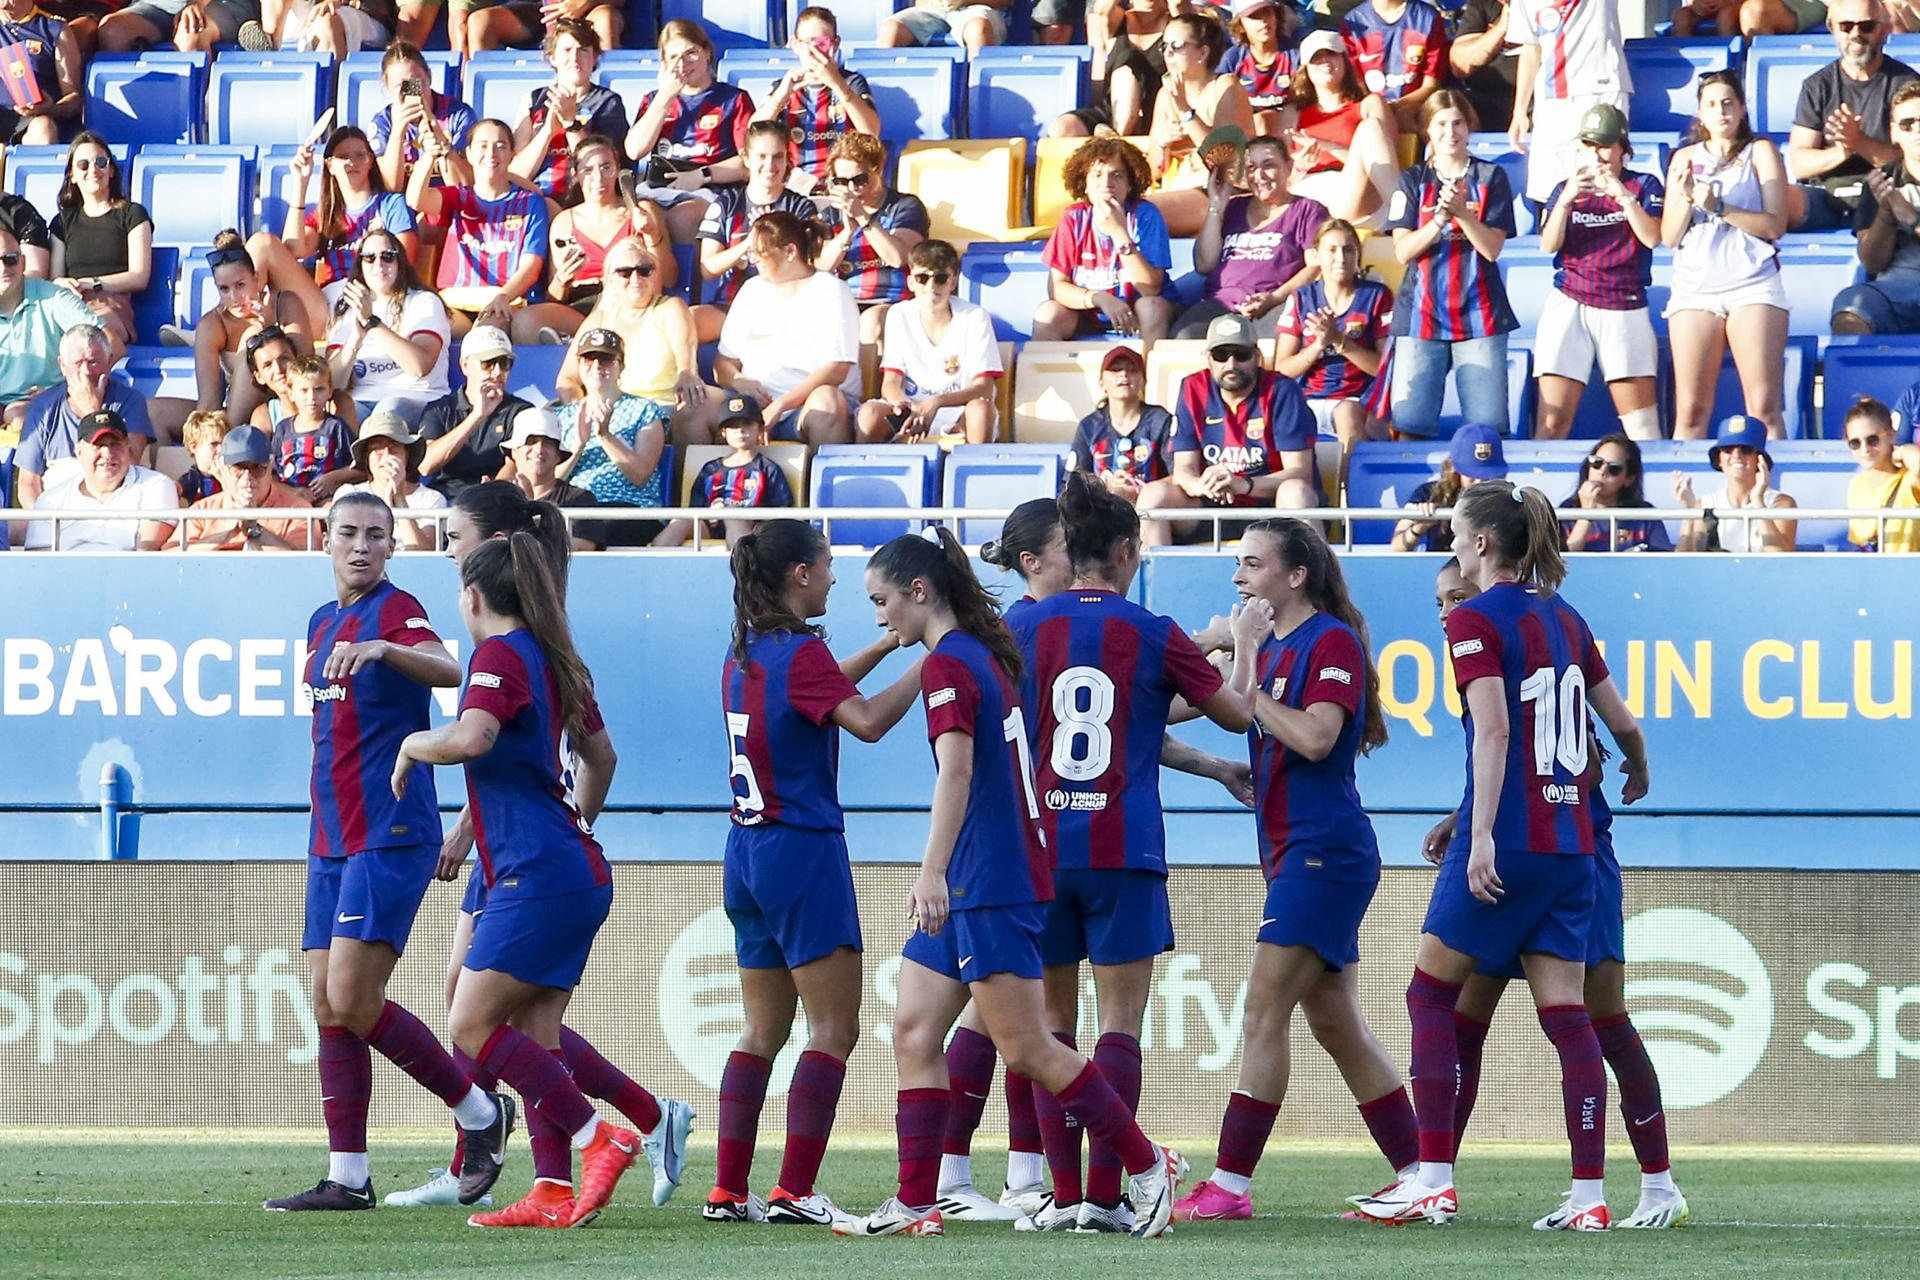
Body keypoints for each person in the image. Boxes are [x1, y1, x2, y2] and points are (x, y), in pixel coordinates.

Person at [834, 525, 1186, 1240]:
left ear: (919, 592)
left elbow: (957, 772)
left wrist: (931, 870)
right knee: (913, 1029)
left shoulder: (954, 664)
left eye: (881, 600)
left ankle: (1148, 1169)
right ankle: (915, 1201)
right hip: (981, 873)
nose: (878, 614)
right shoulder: (974, 653)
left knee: (1027, 1049)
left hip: (986, 877)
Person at [383, 481, 692, 1211]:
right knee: (536, 1033)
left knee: (468, 1018)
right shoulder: (550, 654)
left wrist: (411, 744)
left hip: (538, 872)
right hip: (565, 864)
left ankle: (598, 1137)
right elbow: (590, 758)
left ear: (473, 593)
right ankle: (552, 1188)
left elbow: (472, 738)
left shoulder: (496, 656)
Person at [1349, 482, 1649, 1230]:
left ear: (1483, 544)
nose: (1451, 544)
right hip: (1573, 844)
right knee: (1568, 1016)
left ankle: (1433, 1179)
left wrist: (1478, 834)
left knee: (1428, 998)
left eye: (1456, 533)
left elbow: (1494, 733)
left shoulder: (1475, 618)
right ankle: (1588, 1196)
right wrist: (1638, 765)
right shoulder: (1565, 616)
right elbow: (1623, 722)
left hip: (1511, 838)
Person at [999, 474, 1257, 1233]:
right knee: (1119, 1027)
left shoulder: (1022, 629)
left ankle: (1065, 1196)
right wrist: (1241, 645)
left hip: (1041, 851)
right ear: (1120, 551)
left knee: (1050, 1031)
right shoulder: (1153, 629)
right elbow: (1237, 714)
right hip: (1123, 850)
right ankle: (1110, 1198)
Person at [1421, 556, 1692, 1232]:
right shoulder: (1538, 638)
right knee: (1467, 1013)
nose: (1450, 611)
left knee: (1600, 1017)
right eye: (1440, 601)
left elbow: (1571, 760)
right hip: (1541, 850)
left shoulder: (1513, 641)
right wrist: (1464, 818)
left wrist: (1628, 762)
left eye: (1458, 594)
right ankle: (1437, 1176)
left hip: (1571, 855)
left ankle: (1656, 1183)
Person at [261, 489, 510, 1215]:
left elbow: (445, 668)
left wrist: (383, 649)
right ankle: (348, 1175)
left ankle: (479, 1113)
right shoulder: (320, 621)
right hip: (330, 838)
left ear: (392, 546)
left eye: (376, 534)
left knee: (353, 997)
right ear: (327, 540)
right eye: (349, 533)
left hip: (390, 830)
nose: (362, 545)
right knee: (327, 1004)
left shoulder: (394, 610)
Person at [1172, 518, 1418, 1222]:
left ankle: (1230, 1185)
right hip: (1294, 854)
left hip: (1325, 852)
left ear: (1296, 574)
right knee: (1338, 1026)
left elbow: (1315, 737)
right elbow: (1154, 697)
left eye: (1252, 564)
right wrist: (1218, 644)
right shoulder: (1264, 648)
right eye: (1237, 564)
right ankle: (1420, 1172)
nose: (1238, 576)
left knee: (1261, 1011)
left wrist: (1244, 671)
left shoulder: (1328, 641)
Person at [705, 519, 927, 1226]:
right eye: (827, 566)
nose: (835, 577)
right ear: (800, 573)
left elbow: (816, 691)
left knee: (760, 1032)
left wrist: (890, 643)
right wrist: (930, 660)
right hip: (802, 851)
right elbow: (861, 721)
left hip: (745, 853)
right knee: (834, 1029)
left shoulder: (747, 650)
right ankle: (794, 1189)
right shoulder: (801, 652)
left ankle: (726, 1190)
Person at [1663, 72, 1790, 442]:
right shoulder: (1684, 158)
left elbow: (1774, 224)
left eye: (1728, 102)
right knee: (1690, 410)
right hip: (1695, 287)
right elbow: (1670, 235)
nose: (1721, 111)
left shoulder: (1760, 152)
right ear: (1700, 113)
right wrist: (1686, 197)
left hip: (1752, 283)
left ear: (1742, 108)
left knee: (1763, 407)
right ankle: (1681, 496)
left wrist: (1718, 206)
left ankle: (1771, 488)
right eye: (1712, 104)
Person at [1387, 91, 1518, 440]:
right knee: (1409, 422)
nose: (1451, 132)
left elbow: (1492, 249)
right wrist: (1438, 222)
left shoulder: (1492, 177)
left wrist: (1463, 215)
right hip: (1421, 312)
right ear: (1427, 129)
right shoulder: (1412, 180)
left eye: (1457, 122)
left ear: (1469, 125)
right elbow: (1402, 251)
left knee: (1486, 429)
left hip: (1480, 312)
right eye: (1441, 123)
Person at [1533, 104, 1664, 443]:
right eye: (1590, 145)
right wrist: (1566, 200)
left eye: (1606, 144)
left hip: (1624, 303)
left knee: (1642, 429)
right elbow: (1548, 245)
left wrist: (1622, 197)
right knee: (1551, 425)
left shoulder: (1644, 185)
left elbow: (1653, 237)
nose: (1599, 154)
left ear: (1623, 147)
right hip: (1570, 300)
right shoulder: (1565, 188)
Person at [1138, 311, 1317, 544]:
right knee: (1153, 496)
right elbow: (1184, 469)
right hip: (1214, 503)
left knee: (1296, 493)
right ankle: (1155, 580)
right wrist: (1201, 485)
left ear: (1257, 356)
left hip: (1270, 505)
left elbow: (1300, 472)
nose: (1231, 364)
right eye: (1221, 355)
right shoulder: (1193, 388)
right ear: (1209, 358)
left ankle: (1317, 578)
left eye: (1241, 355)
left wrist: (1243, 484)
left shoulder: (1282, 390)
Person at [158, 228, 330, 444]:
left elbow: (305, 367)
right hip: (235, 409)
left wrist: (268, 326)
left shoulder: (285, 302)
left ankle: (228, 443)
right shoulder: (212, 324)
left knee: (254, 337)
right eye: (224, 289)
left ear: (256, 279)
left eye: (240, 285)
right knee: (154, 412)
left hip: (286, 400)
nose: (234, 297)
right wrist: (203, 435)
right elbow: (209, 399)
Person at [415, 118, 578, 344]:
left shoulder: (530, 204)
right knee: (424, 325)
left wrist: (503, 296)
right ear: (469, 153)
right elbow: (416, 199)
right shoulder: (458, 197)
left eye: (501, 145)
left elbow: (531, 267)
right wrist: (429, 155)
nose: (491, 153)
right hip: (456, 302)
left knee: (487, 335)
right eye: (483, 145)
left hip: (506, 301)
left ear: (512, 154)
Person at [715, 211, 861, 450]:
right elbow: (723, 363)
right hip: (750, 406)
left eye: (760, 254)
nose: (753, 261)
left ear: (790, 252)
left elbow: (837, 370)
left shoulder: (831, 290)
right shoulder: (751, 289)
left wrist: (781, 405)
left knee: (827, 402)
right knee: (696, 406)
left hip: (807, 406)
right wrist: (739, 380)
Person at [557, 238, 709, 441]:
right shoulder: (600, 319)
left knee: (699, 405)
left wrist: (688, 372)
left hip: (663, 407)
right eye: (625, 273)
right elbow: (567, 379)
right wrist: (584, 408)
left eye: (644, 270)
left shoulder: (670, 307)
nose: (636, 278)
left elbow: (686, 361)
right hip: (613, 411)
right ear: (609, 279)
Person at [1176, 135, 1325, 340]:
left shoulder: (1308, 210)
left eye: (1269, 165)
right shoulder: (1232, 208)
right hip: (1221, 305)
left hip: (1276, 306)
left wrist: (1274, 298)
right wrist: (1216, 207)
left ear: (1288, 167)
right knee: (1182, 337)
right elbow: (1204, 265)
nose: (1260, 175)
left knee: (1270, 346)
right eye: (1251, 167)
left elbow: (1316, 267)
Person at [1786, 0, 1915, 232]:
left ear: (1884, 30)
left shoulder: (1907, 86)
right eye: (1846, 26)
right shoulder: (1817, 86)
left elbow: (1911, 159)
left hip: (1888, 191)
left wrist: (1859, 142)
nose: (1856, 34)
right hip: (1828, 195)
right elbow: (1799, 164)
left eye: (1866, 26)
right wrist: (1844, 150)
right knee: (1780, 200)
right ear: (1832, 29)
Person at [858, 240, 1001, 446]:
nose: (931, 287)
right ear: (911, 282)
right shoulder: (899, 314)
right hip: (911, 408)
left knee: (981, 410)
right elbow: (890, 383)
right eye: (922, 278)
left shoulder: (975, 316)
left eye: (941, 278)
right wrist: (904, 405)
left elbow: (984, 389)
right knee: (869, 414)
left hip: (958, 409)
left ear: (953, 282)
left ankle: (974, 471)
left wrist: (936, 403)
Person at [624, 20, 756, 244]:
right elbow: (634, 151)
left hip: (710, 185)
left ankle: (688, 280)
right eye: (673, 57)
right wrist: (665, 98)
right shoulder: (655, 101)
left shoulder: (733, 99)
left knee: (682, 217)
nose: (683, 63)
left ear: (707, 53)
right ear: (664, 64)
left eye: (691, 53)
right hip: (660, 185)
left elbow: (748, 163)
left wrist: (701, 175)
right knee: (642, 216)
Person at [1034, 137, 1175, 344]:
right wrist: (1098, 298)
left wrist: (1119, 232)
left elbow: (1150, 288)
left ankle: (1149, 374)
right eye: (1097, 175)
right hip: (1088, 311)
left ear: (1129, 184)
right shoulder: (1073, 218)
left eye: (1116, 175)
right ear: (1085, 185)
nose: (1106, 184)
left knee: (1151, 307)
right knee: (1048, 314)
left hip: (1139, 312)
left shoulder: (1146, 215)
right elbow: (1056, 288)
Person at [1272, 217, 1391, 451]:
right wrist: (1318, 345)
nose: (1341, 258)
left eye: (1348, 250)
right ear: (1316, 255)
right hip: (1309, 399)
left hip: (1358, 400)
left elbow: (1384, 368)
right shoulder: (1301, 298)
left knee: (1347, 413)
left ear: (1358, 254)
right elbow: (1282, 369)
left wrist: (1340, 341)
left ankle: (1350, 486)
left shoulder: (1377, 297)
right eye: (1332, 250)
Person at [816, 132, 930, 377]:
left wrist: (864, 219)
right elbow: (821, 267)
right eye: (840, 181)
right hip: (845, 301)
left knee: (872, 322)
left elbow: (898, 258)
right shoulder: (831, 214)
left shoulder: (905, 206)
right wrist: (847, 233)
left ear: (878, 170)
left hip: (894, 301)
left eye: (859, 180)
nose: (850, 189)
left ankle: (866, 398)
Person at [1506, 0, 1630, 213]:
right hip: (1553, 99)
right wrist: (1519, 110)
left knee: (1604, 188)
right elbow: (1531, 49)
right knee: (1554, 194)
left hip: (1602, 90)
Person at [11, 324, 153, 509]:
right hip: (55, 513)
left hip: (114, 506)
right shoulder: (42, 407)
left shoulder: (131, 401)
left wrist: (91, 410)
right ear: (62, 365)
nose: (86, 371)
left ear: (109, 361)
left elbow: (128, 464)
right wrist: (44, 524)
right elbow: (28, 484)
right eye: (78, 363)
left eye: (93, 362)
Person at [694, 121, 822, 320]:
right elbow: (708, 269)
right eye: (761, 156)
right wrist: (749, 243)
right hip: (730, 307)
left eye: (778, 156)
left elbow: (813, 267)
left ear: (788, 159)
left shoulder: (801, 208)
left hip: (785, 307)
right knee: (689, 321)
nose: (770, 165)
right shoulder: (726, 203)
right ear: (746, 158)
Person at [1274, 29, 1401, 226]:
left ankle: (1402, 213)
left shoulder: (1369, 104)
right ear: (1306, 68)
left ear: (1344, 60)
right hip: (1308, 193)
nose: (1325, 62)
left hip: (1356, 193)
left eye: (1331, 54)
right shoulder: (1293, 113)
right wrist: (1300, 165)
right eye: (1317, 58)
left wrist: (1327, 146)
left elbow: (1385, 160)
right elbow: (1280, 179)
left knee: (1370, 128)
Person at [323, 227, 451, 423]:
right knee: (338, 415)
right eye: (369, 257)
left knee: (387, 411)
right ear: (360, 264)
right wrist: (355, 339)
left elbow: (419, 366)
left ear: (400, 262)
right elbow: (335, 383)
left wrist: (372, 323)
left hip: (416, 398)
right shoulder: (348, 307)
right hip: (362, 399)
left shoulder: (424, 301)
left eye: (388, 256)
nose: (379, 264)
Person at [552, 332, 668, 547]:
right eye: (589, 358)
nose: (596, 366)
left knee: (585, 532)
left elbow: (640, 474)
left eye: (605, 359)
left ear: (620, 366)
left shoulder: (644, 410)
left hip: (629, 508)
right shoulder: (561, 415)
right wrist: (577, 449)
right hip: (574, 507)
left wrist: (605, 435)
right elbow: (549, 479)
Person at [1146, 10, 1256, 237]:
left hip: (1222, 192)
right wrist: (1161, 144)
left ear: (1203, 52)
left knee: (1141, 214)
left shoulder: (1226, 87)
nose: (1168, 53)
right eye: (1163, 46)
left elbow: (1223, 160)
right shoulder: (1166, 95)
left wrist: (1186, 113)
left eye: (1176, 46)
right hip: (1179, 189)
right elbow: (1153, 169)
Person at [752, 6, 880, 194]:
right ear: (794, 45)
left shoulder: (851, 83)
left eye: (822, 43)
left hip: (843, 182)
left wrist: (837, 84)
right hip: (795, 184)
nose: (813, 51)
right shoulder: (783, 86)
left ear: (835, 44)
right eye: (806, 43)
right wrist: (780, 97)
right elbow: (753, 135)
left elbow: (872, 132)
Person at [547, 133, 677, 316]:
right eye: (588, 170)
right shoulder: (564, 222)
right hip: (582, 308)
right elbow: (554, 298)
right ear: (575, 174)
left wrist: (652, 234)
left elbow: (669, 280)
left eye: (606, 168)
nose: (598, 178)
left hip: (633, 305)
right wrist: (561, 280)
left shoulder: (641, 211)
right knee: (529, 320)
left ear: (618, 170)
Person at [0, 225, 115, 425]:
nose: (3, 268)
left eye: (10, 258)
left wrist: (72, 388)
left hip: (35, 402)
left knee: (20, 418)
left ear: (23, 262)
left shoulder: (54, 297)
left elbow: (111, 342)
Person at [508, 20, 628, 204]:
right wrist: (547, 131)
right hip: (535, 198)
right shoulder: (533, 100)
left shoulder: (608, 103)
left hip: (584, 199)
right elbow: (516, 174)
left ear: (595, 57)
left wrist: (570, 124)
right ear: (552, 57)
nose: (575, 57)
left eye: (583, 50)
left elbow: (599, 168)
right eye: (567, 50)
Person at [49, 132, 152, 347]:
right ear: (72, 176)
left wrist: (93, 283)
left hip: (111, 307)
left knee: (91, 335)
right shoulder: (62, 222)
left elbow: (139, 276)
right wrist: (61, 284)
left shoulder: (132, 214)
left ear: (111, 170)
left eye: (101, 162)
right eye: (83, 165)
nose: (93, 170)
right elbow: (55, 279)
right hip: (70, 304)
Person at [21, 410, 177, 550]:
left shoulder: (156, 486)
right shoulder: (50, 500)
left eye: (115, 444)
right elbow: (39, 562)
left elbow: (145, 553)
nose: (107, 453)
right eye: (98, 445)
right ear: (79, 452)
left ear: (129, 449)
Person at [283, 128, 419, 288]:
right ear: (330, 165)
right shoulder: (324, 215)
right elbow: (293, 250)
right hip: (333, 298)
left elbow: (404, 262)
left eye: (360, 155)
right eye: (342, 156)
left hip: (380, 293)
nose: (351, 162)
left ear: (370, 161)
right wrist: (300, 183)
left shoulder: (392, 205)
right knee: (263, 244)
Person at [1835, 81, 1920, 334]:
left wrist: (1911, 219)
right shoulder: (1882, 180)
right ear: (1894, 132)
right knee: (1850, 309)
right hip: (1898, 286)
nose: (1917, 130)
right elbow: (1872, 263)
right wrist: (1885, 213)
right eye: (1907, 124)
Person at [657, 394, 793, 548]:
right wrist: (712, 513)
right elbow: (695, 508)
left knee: (732, 515)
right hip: (711, 525)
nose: (740, 430)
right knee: (681, 521)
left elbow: (782, 511)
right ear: (723, 432)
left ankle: (741, 566)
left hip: (752, 531)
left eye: (747, 424)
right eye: (733, 426)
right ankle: (651, 563)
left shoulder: (767, 468)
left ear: (760, 428)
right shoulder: (710, 469)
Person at [416, 326, 530, 498]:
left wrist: (489, 494)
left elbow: (515, 464)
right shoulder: (439, 409)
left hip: (497, 501)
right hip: (447, 499)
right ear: (465, 365)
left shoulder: (521, 412)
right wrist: (477, 416)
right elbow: (426, 465)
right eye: (488, 364)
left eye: (504, 363)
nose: (498, 372)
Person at [178, 423, 317, 551]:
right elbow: (170, 559)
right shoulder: (201, 511)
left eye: (257, 468)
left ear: (270, 466)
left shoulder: (298, 510)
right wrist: (226, 531)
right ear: (222, 467)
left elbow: (306, 563)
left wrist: (255, 530)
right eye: (238, 468)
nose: (247, 477)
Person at [1673, 414, 1800, 552]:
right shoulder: (1704, 504)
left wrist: (1758, 501)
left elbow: (1780, 559)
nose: (1736, 455)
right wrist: (1689, 512)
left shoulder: (1781, 503)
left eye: (1745, 449)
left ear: (1760, 460)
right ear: (1719, 460)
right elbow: (1684, 562)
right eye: (1728, 449)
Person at [366, 44, 477, 198]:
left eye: (416, 83)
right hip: (404, 202)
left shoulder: (459, 115)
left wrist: (436, 132)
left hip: (444, 199)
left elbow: (463, 186)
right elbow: (391, 187)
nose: (410, 91)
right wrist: (398, 130)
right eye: (401, 86)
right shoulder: (383, 123)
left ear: (429, 77)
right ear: (387, 86)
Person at [1070, 344, 1176, 502]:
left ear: (1143, 381)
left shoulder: (1160, 420)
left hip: (1150, 512)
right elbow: (1074, 482)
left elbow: (1178, 476)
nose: (1124, 374)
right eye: (1115, 370)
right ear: (1101, 382)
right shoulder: (1089, 426)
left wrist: (1140, 490)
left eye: (1132, 370)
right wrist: (1106, 486)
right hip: (1102, 512)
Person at [1052, 0, 1169, 138]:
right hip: (1112, 110)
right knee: (1064, 128)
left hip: (1158, 111)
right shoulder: (1114, 21)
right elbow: (1102, 9)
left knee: (1129, 70)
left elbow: (1181, 7)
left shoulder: (1178, 22)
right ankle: (1114, 140)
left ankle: (1115, 142)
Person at [336, 411, 447, 551]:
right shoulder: (350, 494)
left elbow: (423, 557)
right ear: (366, 459)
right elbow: (347, 549)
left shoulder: (431, 499)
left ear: (407, 456)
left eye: (394, 448)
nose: (387, 456)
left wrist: (399, 499)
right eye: (377, 449)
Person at [499, 411, 607, 551]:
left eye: (548, 443)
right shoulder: (498, 498)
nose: (539, 450)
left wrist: (528, 509)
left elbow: (584, 546)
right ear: (514, 451)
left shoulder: (579, 498)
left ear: (558, 455)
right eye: (530, 442)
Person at [1390, 422, 1507, 552]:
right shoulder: (1429, 494)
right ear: (1455, 469)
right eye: (1471, 474)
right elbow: (1397, 548)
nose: (1479, 481)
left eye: (1487, 476)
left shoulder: (1509, 500)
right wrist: (1419, 526)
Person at [1340, 0, 1449, 132]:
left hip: (1416, 113)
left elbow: (1431, 85)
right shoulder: (1353, 21)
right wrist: (1379, 110)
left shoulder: (1427, 18)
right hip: (1371, 116)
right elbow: (1357, 85)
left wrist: (1395, 107)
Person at [1559, 433, 1673, 553]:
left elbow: (1665, 564)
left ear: (1628, 479)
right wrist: (1585, 516)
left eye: (1614, 468)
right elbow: (1562, 564)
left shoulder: (1644, 516)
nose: (1602, 471)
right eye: (1596, 463)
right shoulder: (1566, 513)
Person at [1840, 396, 1920, 551]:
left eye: (1872, 440)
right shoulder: (1857, 485)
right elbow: (1861, 544)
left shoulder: (1909, 480)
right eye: (1855, 443)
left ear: (1891, 435)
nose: (1865, 449)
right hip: (1875, 572)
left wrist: (1903, 450)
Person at [0, 0, 82, 145]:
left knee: (44, 128)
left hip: (33, 121)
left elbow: (73, 99)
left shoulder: (54, 29)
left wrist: (50, 108)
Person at [271, 355, 355, 494]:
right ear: (291, 393)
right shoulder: (283, 429)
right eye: (304, 390)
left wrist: (333, 478)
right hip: (290, 499)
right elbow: (271, 471)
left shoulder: (335, 427)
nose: (312, 397)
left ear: (329, 391)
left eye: (319, 389)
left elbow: (358, 468)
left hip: (326, 498)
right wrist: (291, 492)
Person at [1219, 0, 1301, 136]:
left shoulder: (1295, 55)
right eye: (1254, 16)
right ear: (1240, 25)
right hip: (1247, 133)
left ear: (1276, 16)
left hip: (1289, 131)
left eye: (1267, 13)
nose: (1263, 21)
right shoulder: (1232, 59)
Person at [1447, 0, 1517, 135]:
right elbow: (1460, 66)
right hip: (1489, 106)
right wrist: (1502, 27)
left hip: (1542, 103)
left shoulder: (1553, 7)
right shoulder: (1482, 5)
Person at [462, 0, 620, 55]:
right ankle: (485, 113)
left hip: (592, 8)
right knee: (480, 21)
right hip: (538, 9)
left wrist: (581, 3)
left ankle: (605, 102)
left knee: (605, 20)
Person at [879, 0, 1010, 56]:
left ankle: (976, 100)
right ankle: (878, 103)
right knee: (890, 29)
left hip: (977, 8)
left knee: (978, 30)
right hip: (931, 9)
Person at [175, 408, 228, 504]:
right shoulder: (190, 479)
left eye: (224, 444)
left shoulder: (231, 474)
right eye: (214, 444)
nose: (221, 449)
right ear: (194, 447)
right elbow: (175, 490)